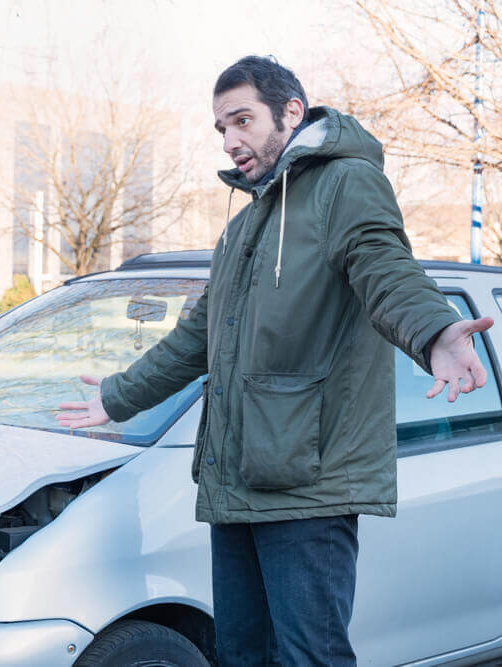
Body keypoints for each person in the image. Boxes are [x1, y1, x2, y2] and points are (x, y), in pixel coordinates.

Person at [56, 55, 493, 666]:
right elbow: (197, 336)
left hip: (309, 484)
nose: (231, 140)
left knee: (308, 656)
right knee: (242, 654)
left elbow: (385, 266)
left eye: (242, 120)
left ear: (291, 111)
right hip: (237, 478)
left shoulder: (346, 183)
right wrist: (117, 396)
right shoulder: (247, 221)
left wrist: (434, 330)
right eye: (221, 128)